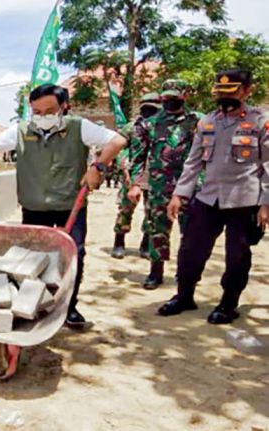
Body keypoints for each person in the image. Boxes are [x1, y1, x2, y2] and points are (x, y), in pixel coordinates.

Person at [0, 84, 127, 328]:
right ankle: (33, 305)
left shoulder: (78, 127)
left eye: (50, 110)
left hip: (70, 206)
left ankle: (69, 307)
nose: (43, 117)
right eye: (37, 111)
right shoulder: (21, 131)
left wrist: (98, 167)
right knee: (32, 259)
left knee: (72, 257)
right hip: (34, 207)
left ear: (64, 107)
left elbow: (117, 140)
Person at [159, 69, 269, 324]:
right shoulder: (207, 122)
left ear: (246, 91)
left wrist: (266, 203)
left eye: (232, 92)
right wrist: (180, 195)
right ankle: (184, 296)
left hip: (245, 200)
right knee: (190, 249)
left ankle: (228, 304)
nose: (225, 97)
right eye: (221, 93)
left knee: (237, 254)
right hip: (208, 197)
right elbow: (193, 162)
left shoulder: (259, 122)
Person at [128, 80, 201, 289]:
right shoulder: (149, 124)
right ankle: (155, 272)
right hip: (159, 187)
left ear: (184, 96)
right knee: (157, 231)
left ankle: (185, 274)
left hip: (190, 187)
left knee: (191, 233)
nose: (169, 102)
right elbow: (138, 156)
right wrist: (135, 184)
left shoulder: (198, 122)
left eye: (174, 98)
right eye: (166, 98)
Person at [111, 92, 161, 259]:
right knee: (126, 209)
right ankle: (119, 242)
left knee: (152, 212)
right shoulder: (131, 127)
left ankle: (145, 244)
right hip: (132, 175)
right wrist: (124, 169)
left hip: (155, 177)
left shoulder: (163, 128)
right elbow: (120, 149)